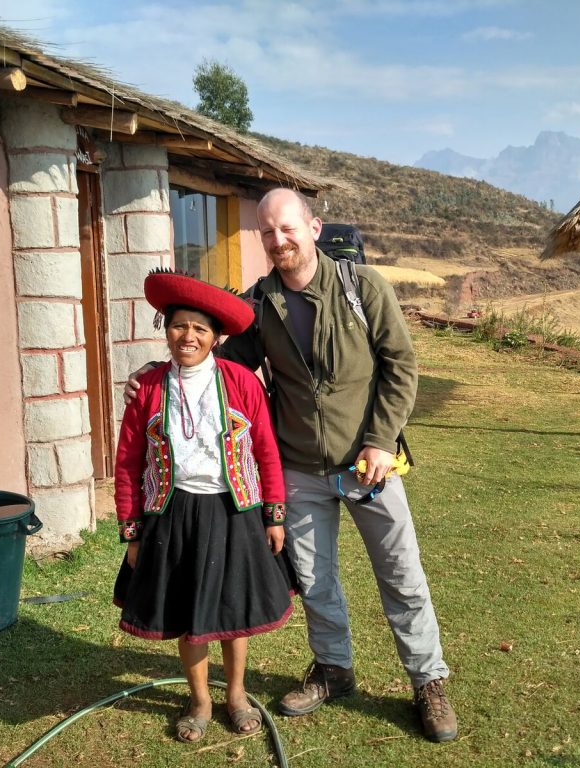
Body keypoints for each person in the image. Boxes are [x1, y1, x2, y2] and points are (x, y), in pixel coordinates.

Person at [126, 189, 457, 743]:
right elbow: (218, 362)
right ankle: (333, 669)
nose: (278, 240)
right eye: (267, 233)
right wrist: (161, 371)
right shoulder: (260, 304)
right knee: (315, 579)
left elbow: (401, 368)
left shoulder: (363, 287)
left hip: (369, 466)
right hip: (299, 468)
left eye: (287, 228)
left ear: (313, 226)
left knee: (402, 576)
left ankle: (428, 681)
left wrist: (378, 441)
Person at [113, 269, 295, 744]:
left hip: (233, 512)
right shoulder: (148, 388)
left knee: (235, 613)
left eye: (199, 328)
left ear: (215, 337)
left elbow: (266, 452)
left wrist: (274, 514)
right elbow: (129, 462)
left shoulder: (240, 382)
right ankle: (200, 701)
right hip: (172, 515)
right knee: (188, 615)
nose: (187, 336)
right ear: (165, 329)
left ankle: (236, 694)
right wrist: (131, 531)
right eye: (178, 325)